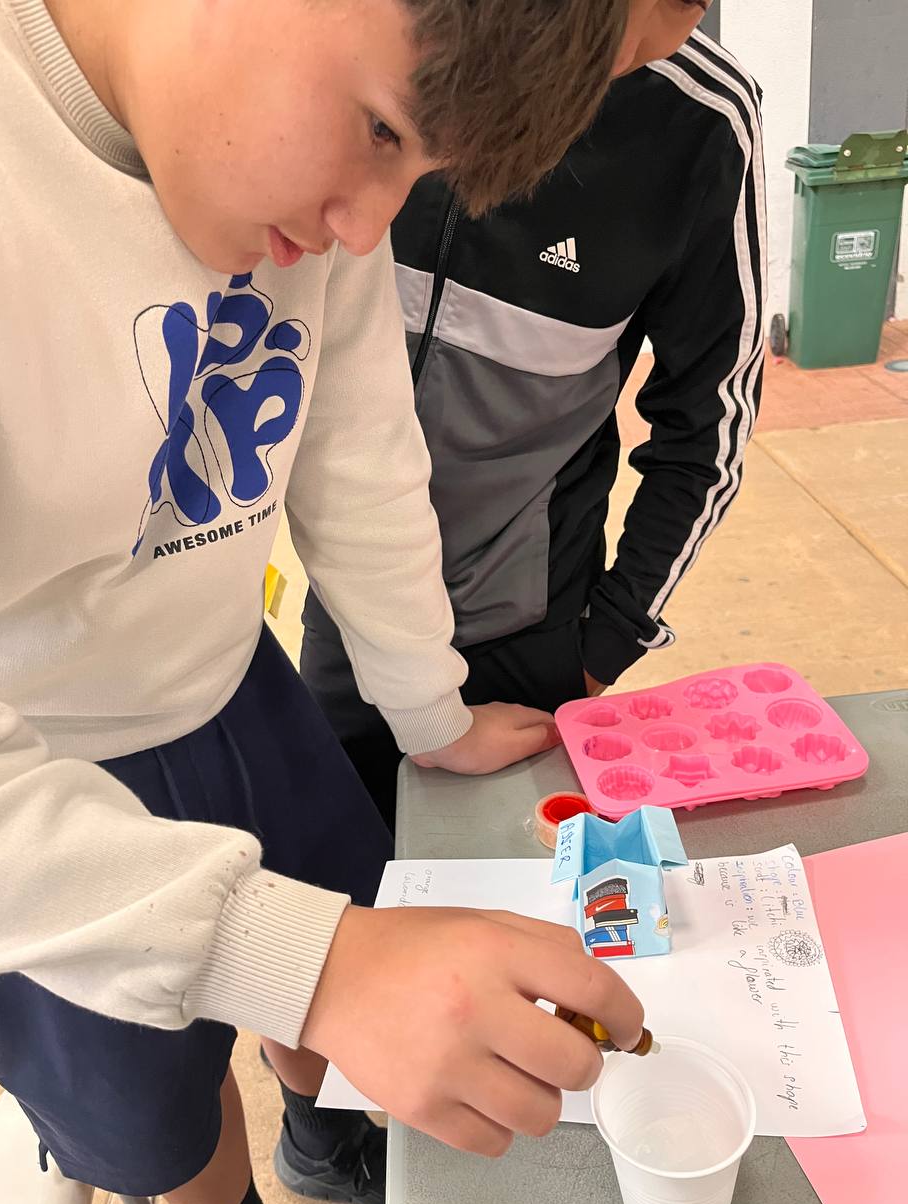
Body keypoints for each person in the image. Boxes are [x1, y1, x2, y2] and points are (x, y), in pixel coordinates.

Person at [0, 3, 659, 1204]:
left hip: (236, 684)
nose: (366, 226)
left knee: (357, 925)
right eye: (381, 129)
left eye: (417, 170)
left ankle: (325, 1135)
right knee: (160, 1101)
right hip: (26, 787)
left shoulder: (305, 187)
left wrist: (427, 706)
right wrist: (313, 965)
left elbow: (359, 451)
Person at [302, 7, 768, 829]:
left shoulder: (699, 122)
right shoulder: (390, 34)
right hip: (350, 603)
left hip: (527, 625)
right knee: (341, 856)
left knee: (511, 881)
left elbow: (707, 425)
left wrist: (608, 639)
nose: (609, 56)